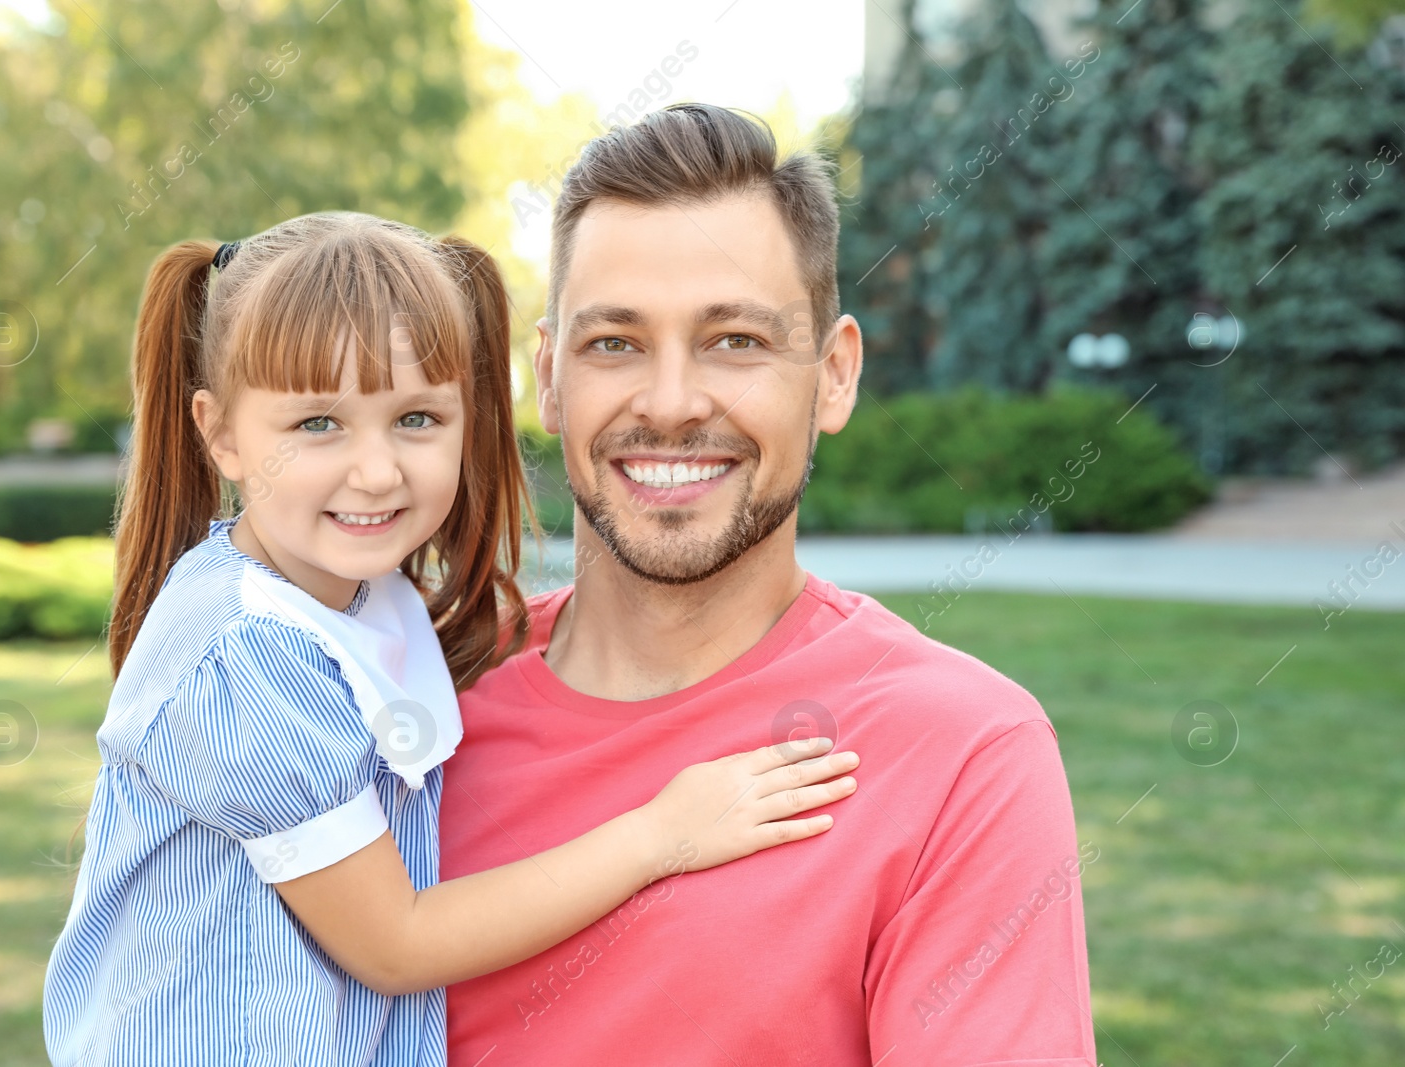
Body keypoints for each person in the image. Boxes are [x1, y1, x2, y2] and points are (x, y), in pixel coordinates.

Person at [41, 211, 861, 1066]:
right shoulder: (243, 657)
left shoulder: (357, 596)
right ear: (221, 432)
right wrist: (662, 833)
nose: (377, 469)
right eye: (317, 424)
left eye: (417, 419)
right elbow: (396, 944)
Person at [439, 105, 1098, 1065]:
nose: (669, 403)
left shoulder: (964, 755)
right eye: (613, 344)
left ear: (833, 376)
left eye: (735, 341)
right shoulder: (408, 704)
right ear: (547, 377)